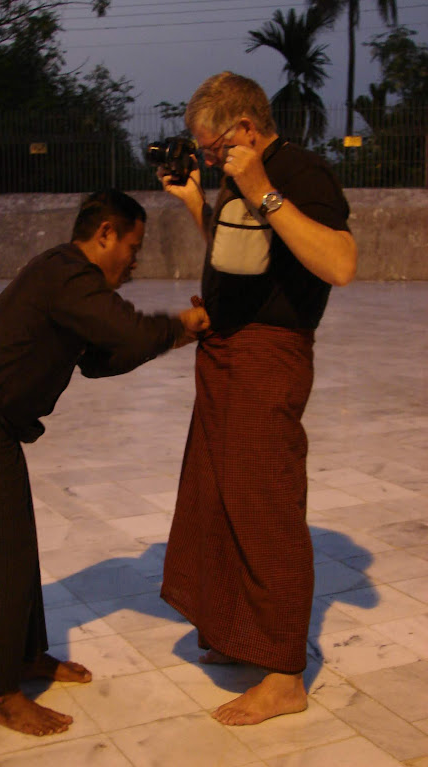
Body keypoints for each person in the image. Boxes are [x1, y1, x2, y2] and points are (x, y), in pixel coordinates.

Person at [0, 188, 210, 737]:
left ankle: (20, 659)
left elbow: (101, 359)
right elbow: (125, 329)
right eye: (133, 246)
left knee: (15, 548)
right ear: (104, 235)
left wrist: (174, 337)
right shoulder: (67, 272)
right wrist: (181, 325)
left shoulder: (73, 286)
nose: (135, 261)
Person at [158, 72, 357, 726]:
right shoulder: (237, 176)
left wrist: (261, 191)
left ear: (244, 128)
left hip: (266, 360)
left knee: (264, 503)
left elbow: (338, 263)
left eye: (211, 146)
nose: (209, 157)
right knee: (215, 496)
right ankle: (236, 630)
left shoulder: (299, 172)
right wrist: (198, 203)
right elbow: (242, 260)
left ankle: (283, 673)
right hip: (223, 353)